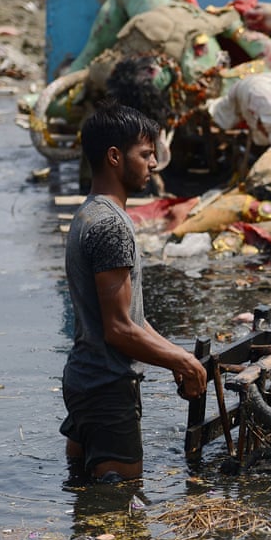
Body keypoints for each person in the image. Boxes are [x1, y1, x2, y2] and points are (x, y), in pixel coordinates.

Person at [60, 101, 207, 484]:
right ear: (113, 157)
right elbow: (120, 330)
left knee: (84, 499)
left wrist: (180, 355)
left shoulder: (89, 213)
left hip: (83, 381)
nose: (154, 164)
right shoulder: (111, 226)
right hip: (107, 390)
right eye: (145, 154)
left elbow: (134, 320)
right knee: (118, 510)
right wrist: (183, 365)